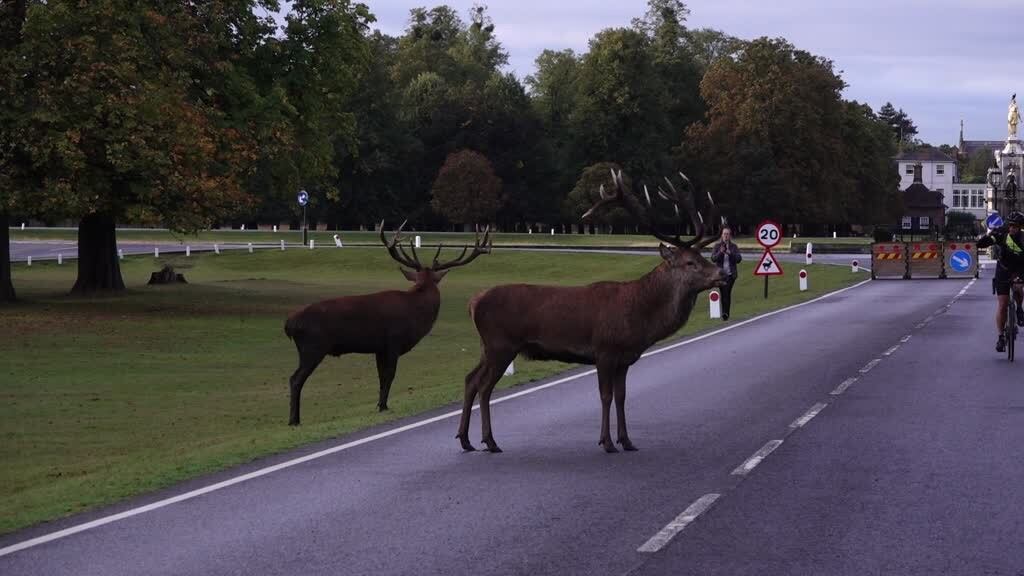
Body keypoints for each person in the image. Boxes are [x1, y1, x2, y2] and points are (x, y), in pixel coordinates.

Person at [978, 211, 1024, 352]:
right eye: (1010, 225)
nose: (1012, 228)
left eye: (1016, 226)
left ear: (1021, 227)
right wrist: (988, 235)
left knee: (1018, 287)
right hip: (1003, 269)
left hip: (1019, 268)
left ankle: (1019, 308)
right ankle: (1001, 337)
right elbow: (981, 244)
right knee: (1003, 304)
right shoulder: (1001, 234)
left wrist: (1020, 276)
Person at [711, 226, 742, 320]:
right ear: (722, 235)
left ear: (730, 236)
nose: (726, 236)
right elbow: (713, 259)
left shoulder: (734, 247)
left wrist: (730, 253)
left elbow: (738, 259)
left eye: (727, 234)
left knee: (726, 292)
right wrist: (721, 252)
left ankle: (725, 313)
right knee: (724, 293)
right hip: (721, 275)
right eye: (724, 234)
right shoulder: (717, 246)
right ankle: (725, 313)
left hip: (730, 275)